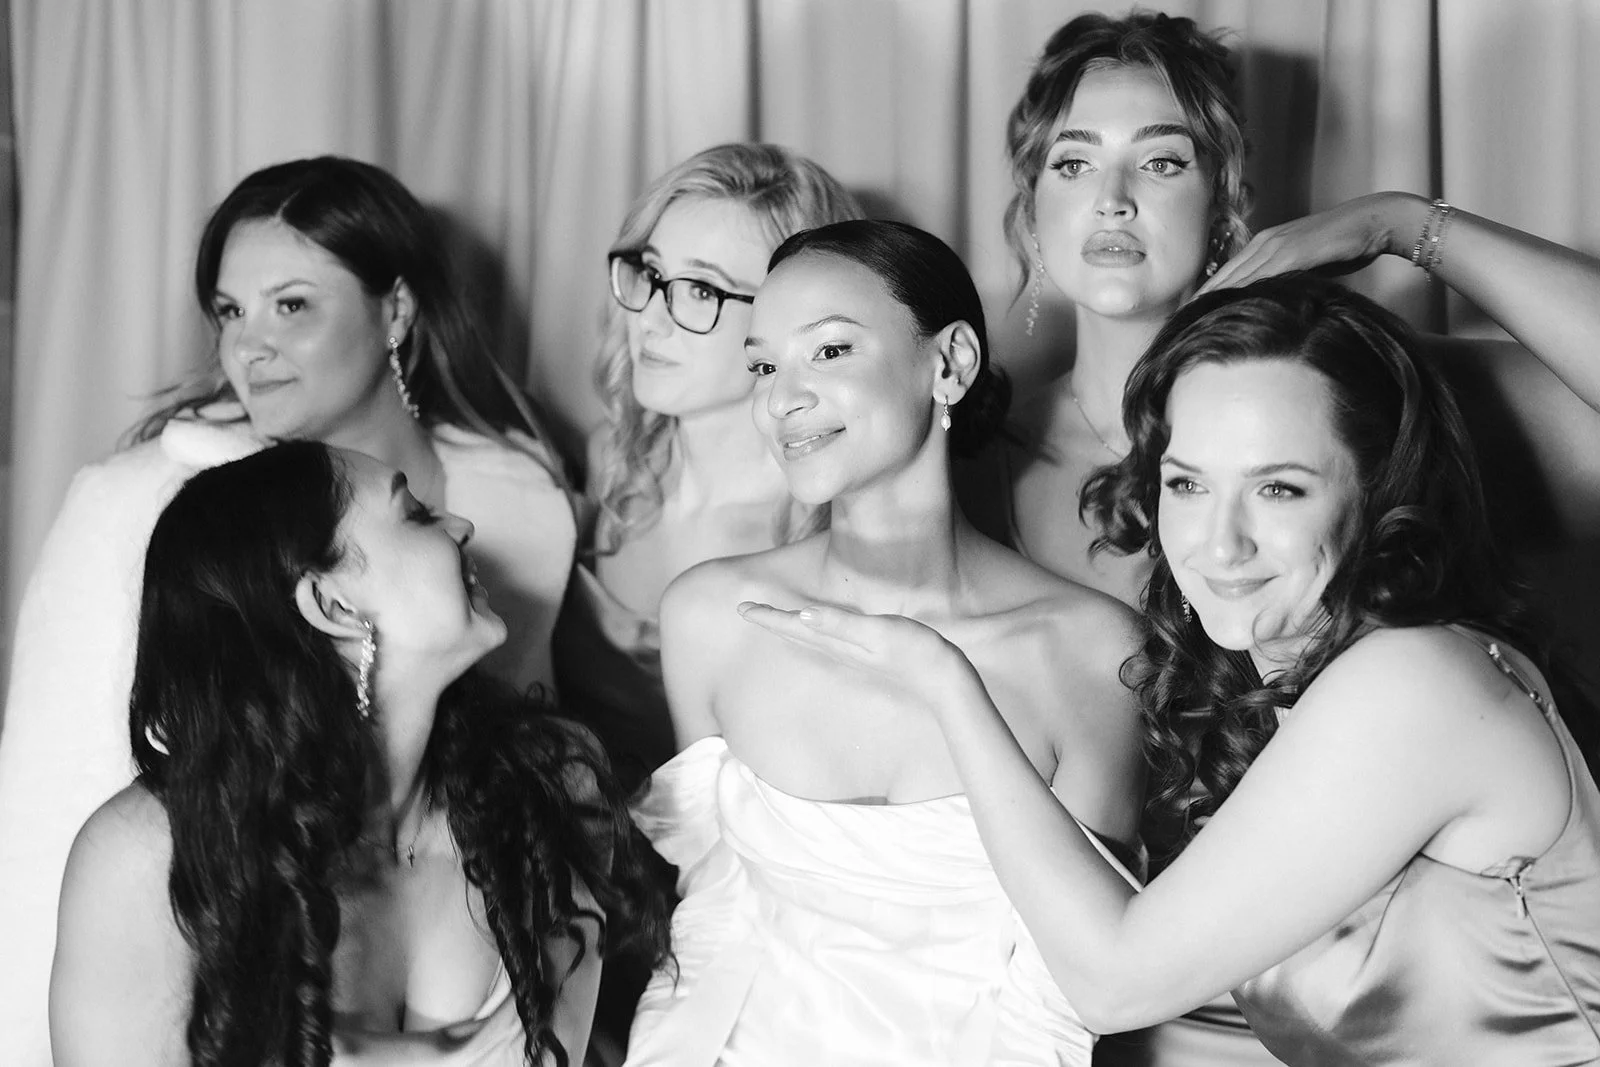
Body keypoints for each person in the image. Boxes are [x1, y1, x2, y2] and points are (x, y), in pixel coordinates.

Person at [742, 272, 1600, 1065]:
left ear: (1378, 491)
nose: (1219, 544)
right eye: (1187, 485)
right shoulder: (1282, 695)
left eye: (1279, 488)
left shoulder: (1415, 684)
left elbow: (1113, 981)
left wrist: (946, 683)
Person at [0, 156, 576, 1064]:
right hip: (207, 929)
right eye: (229, 311)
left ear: (395, 311)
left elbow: (518, 747)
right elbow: (47, 812)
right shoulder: (134, 505)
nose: (248, 348)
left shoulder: (523, 502)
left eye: (291, 305)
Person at [623, 220, 1145, 1067]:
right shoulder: (711, 617)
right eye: (763, 366)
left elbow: (1071, 992)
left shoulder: (1093, 654)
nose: (781, 400)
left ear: (950, 364)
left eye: (829, 351)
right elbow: (712, 920)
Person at [51, 441, 666, 1066]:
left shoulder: (550, 784)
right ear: (334, 606)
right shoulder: (149, 857)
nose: (462, 527)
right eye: (416, 516)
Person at [554, 143, 861, 793]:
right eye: (650, 272)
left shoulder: (828, 530)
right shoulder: (612, 461)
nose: (649, 320)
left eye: (700, 289)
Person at [1000, 11, 1249, 610]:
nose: (1112, 201)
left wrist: (1396, 225)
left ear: (1220, 207)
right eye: (1074, 165)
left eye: (1160, 162)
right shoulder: (976, 453)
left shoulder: (1295, 418)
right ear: (1032, 213)